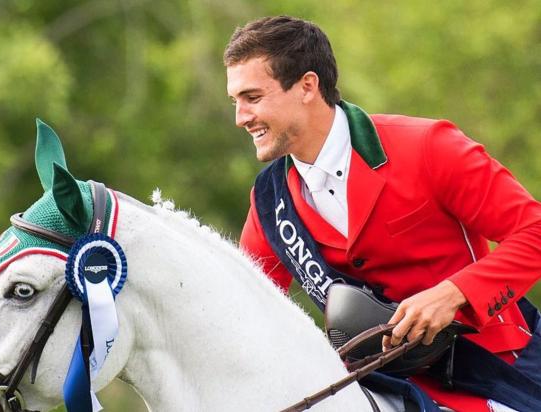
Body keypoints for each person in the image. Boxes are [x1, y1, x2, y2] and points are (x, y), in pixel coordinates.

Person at [225, 15, 541, 412]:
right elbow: (246, 311)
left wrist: (453, 293)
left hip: (490, 371)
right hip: (371, 382)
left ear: (307, 86)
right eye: (235, 101)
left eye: (252, 98)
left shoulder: (429, 146)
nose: (240, 117)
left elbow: (535, 232)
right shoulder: (269, 201)